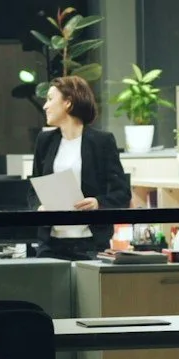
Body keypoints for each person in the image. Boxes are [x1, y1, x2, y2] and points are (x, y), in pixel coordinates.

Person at [29, 75, 131, 259]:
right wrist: (39, 207)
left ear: (68, 103)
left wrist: (97, 203)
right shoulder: (44, 141)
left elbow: (122, 193)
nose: (45, 106)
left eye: (50, 99)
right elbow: (33, 189)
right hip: (50, 244)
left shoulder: (102, 142)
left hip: (90, 244)